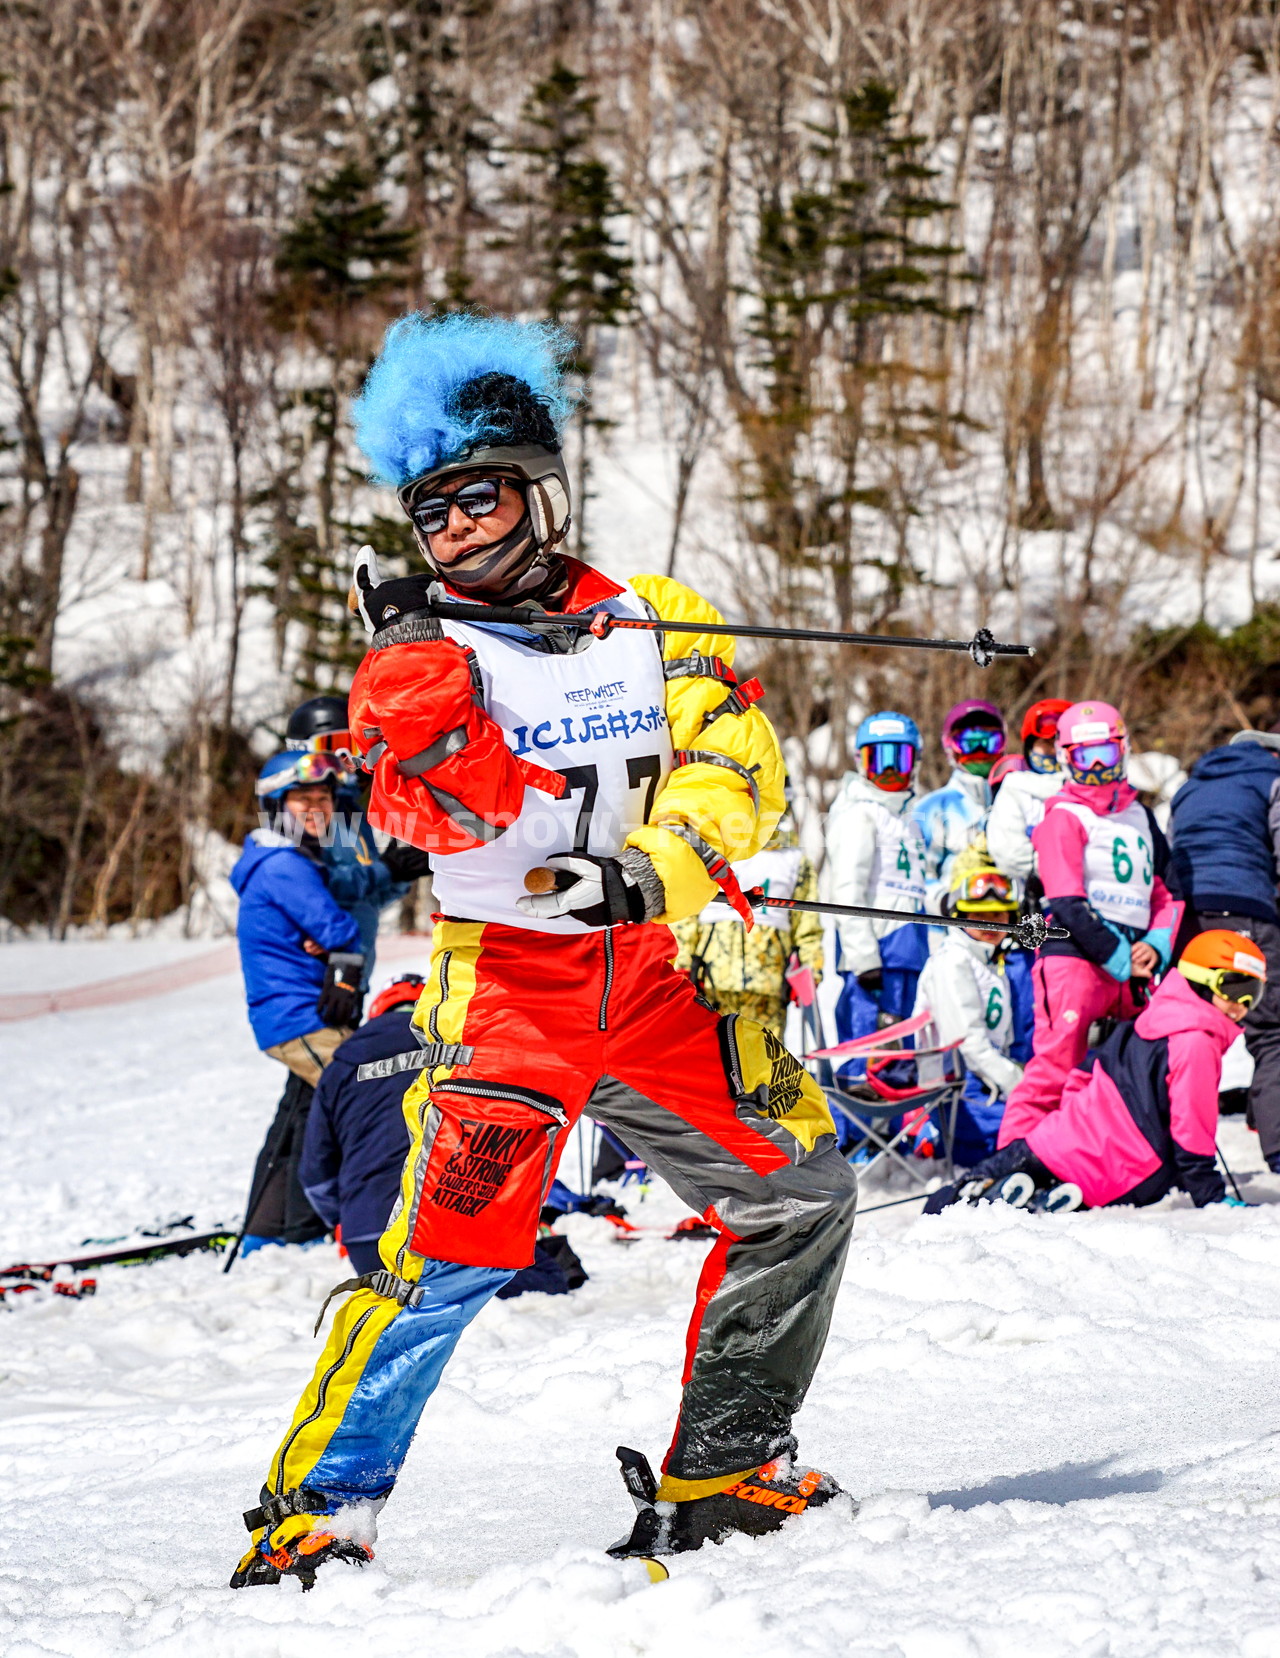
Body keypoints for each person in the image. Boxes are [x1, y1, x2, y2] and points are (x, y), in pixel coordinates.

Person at [230, 312, 855, 1590]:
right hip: (512, 992)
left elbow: (738, 761)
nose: (453, 525)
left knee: (796, 1195)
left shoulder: (652, 614)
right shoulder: (418, 655)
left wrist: (658, 861)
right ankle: (316, 1511)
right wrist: (414, 682)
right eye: (430, 511)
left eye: (476, 494)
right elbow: (437, 811)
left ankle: (727, 1465)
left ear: (541, 491)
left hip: (661, 986)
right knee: (449, 1258)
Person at [925, 930, 1263, 1213]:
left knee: (954, 1200)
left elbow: (1085, 1072)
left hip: (1055, 1142)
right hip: (1123, 1171)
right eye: (1233, 986)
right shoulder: (1197, 1042)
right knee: (1035, 1200)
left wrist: (1074, 1118)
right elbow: (1191, 1128)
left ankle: (975, 1199)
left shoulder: (1148, 1019)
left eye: (1254, 993)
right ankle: (1029, 1201)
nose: (1242, 1004)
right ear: (1201, 979)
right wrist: (1211, 1196)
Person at [300, 973, 591, 1295]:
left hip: (369, 1244)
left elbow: (316, 1175)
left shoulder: (340, 1068)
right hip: (452, 1227)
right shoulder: (467, 1050)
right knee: (551, 1283)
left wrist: (349, 1218)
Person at [998, 701, 1178, 1148]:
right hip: (1076, 957)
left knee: (1130, 1066)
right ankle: (1010, 1160)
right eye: (1083, 756)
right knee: (1058, 1063)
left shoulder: (1141, 816)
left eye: (1106, 754)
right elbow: (1066, 900)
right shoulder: (1062, 816)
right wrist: (1119, 957)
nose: (1096, 767)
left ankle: (1092, 1157)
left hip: (1133, 964)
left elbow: (1164, 892)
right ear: (1064, 758)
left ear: (1124, 750)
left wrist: (1156, 942)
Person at [229, 752, 366, 1250]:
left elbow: (327, 931)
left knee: (307, 1117)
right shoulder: (284, 865)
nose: (317, 808)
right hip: (300, 1019)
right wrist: (334, 942)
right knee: (362, 1097)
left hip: (306, 1013)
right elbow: (339, 928)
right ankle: (351, 1218)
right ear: (275, 805)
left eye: (324, 798)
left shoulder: (286, 860)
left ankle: (276, 1229)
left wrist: (329, 944)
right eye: (303, 798)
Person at [1169, 727, 1280, 1173]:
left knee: (1188, 1031)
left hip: (1188, 919)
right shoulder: (1272, 779)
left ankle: (1175, 1153)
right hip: (1248, 911)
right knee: (1272, 1032)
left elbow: (1174, 849)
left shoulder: (1188, 789)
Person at [286, 695, 434, 985]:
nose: (346, 756)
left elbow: (365, 900)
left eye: (354, 742)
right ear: (301, 749)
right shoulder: (301, 812)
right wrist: (387, 869)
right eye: (332, 744)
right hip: (313, 975)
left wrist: (402, 871)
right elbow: (319, 886)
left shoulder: (349, 809)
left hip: (353, 974)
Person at [912, 855, 1034, 1167]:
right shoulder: (953, 962)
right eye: (979, 916)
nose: (991, 924)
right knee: (1039, 1131)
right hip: (957, 1093)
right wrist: (1019, 1086)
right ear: (959, 917)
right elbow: (968, 1043)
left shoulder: (988, 961)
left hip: (986, 1083)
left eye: (999, 915)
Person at [822, 712, 930, 1061]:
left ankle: (895, 1115)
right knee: (869, 1060)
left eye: (898, 760)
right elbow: (847, 890)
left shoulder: (907, 819)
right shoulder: (858, 814)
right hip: (875, 958)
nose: (888, 772)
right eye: (877, 760)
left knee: (898, 1063)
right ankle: (854, 1115)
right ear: (860, 762)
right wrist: (863, 956)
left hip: (906, 951)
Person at [670, 815, 823, 1038]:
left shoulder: (794, 860)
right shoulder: (711, 853)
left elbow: (807, 925)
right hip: (712, 979)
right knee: (715, 1054)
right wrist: (681, 964)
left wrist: (811, 972)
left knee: (765, 1055)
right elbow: (687, 913)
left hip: (768, 984)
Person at [913, 699, 1007, 900]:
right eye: (969, 742)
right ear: (950, 746)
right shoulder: (933, 808)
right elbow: (917, 873)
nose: (980, 751)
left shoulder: (1015, 801)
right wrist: (945, 903)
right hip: (949, 925)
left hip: (1009, 920)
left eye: (990, 741)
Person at [985, 698, 1072, 886]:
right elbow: (1008, 853)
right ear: (1030, 745)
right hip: (1027, 896)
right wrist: (1065, 872)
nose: (1053, 751)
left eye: (1060, 743)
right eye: (1046, 743)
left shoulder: (1091, 792)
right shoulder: (1015, 788)